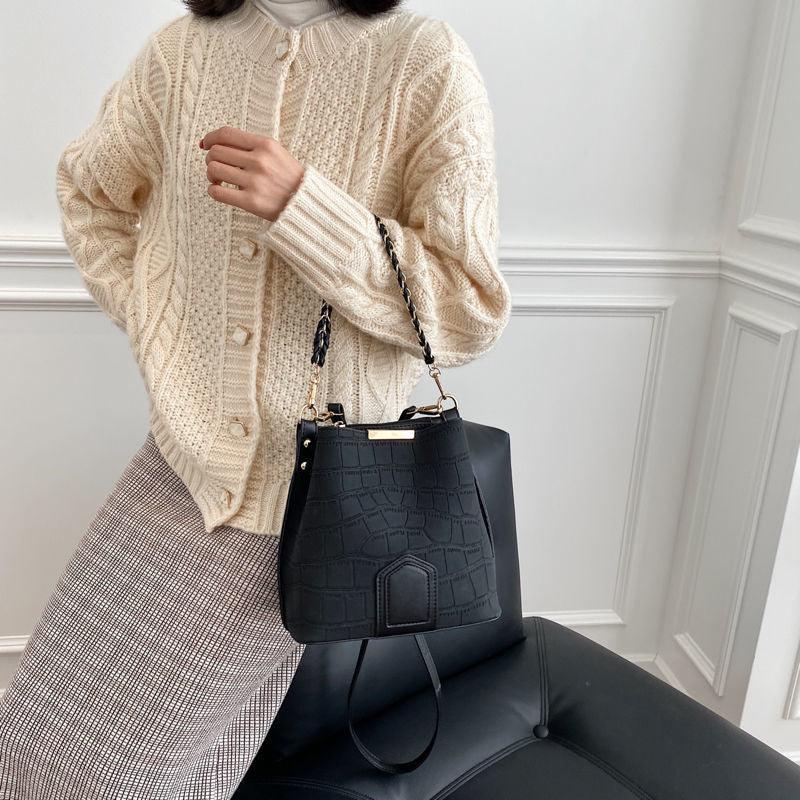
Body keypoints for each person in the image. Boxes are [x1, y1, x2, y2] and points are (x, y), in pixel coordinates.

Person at [0, 0, 512, 796]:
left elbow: (467, 308)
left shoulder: (425, 61)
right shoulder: (179, 53)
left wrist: (306, 206)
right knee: (34, 734)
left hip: (304, 502)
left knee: (103, 777)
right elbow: (89, 194)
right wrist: (155, 319)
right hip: (174, 466)